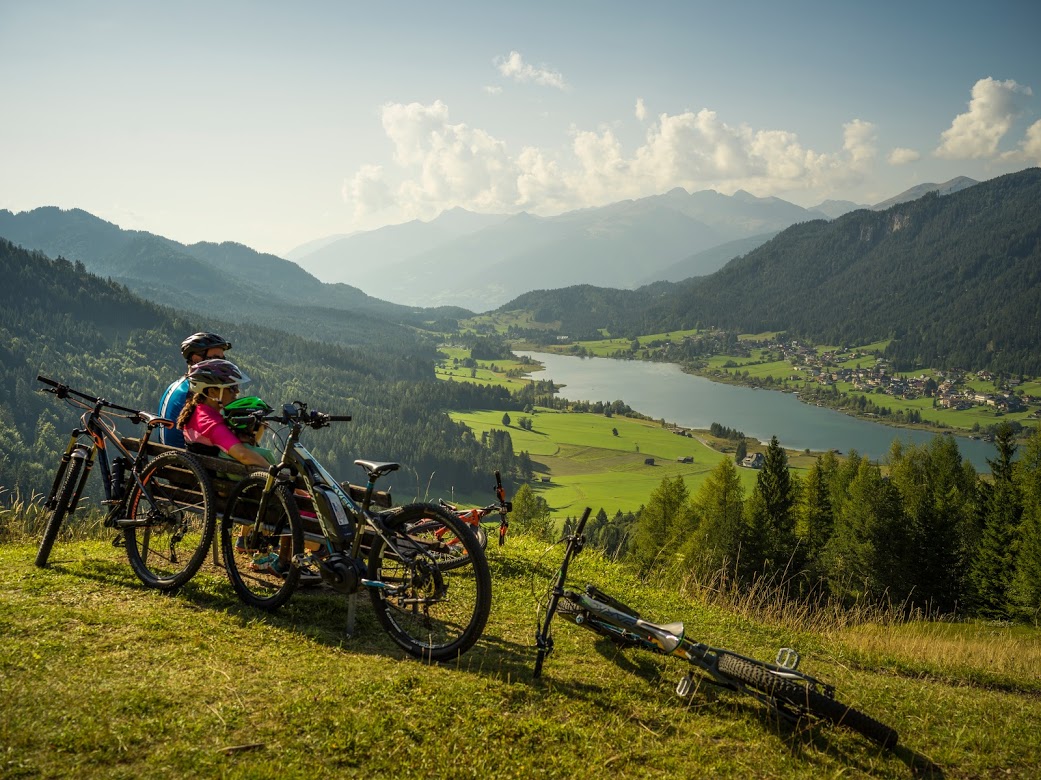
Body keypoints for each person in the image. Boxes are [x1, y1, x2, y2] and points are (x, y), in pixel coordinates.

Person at [175, 359, 269, 468]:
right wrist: (277, 476)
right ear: (212, 392)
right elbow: (243, 455)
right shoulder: (211, 423)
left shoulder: (199, 412)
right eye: (232, 388)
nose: (237, 392)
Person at [157, 332, 233, 447]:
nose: (221, 364)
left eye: (223, 359)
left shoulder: (179, 385)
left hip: (171, 458)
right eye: (216, 358)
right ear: (196, 359)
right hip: (186, 461)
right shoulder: (194, 393)